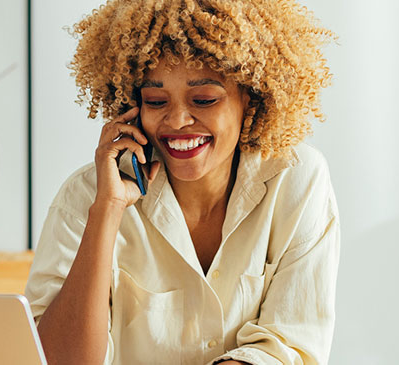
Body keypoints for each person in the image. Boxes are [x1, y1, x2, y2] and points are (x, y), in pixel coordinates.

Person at [25, 0, 339, 364]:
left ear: (250, 97)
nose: (176, 121)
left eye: (203, 99)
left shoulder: (295, 179)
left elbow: (289, 345)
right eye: (156, 101)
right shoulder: (86, 197)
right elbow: (59, 360)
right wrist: (107, 212)